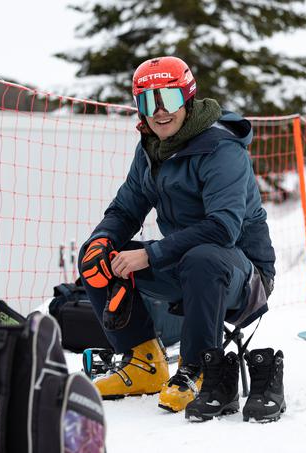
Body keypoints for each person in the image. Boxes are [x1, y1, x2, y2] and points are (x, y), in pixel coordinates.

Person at [78, 56, 285, 422]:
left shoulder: (222, 149)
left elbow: (223, 228)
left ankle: (200, 368)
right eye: (148, 102)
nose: (159, 112)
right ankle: (143, 362)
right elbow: (126, 210)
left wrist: (150, 255)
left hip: (244, 273)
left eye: (168, 100)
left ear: (187, 100)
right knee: (97, 257)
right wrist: (102, 240)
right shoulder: (150, 150)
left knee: (203, 257)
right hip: (186, 263)